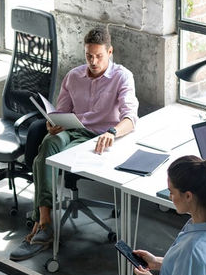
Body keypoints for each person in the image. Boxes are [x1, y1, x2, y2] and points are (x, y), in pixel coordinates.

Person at [9, 25, 139, 261]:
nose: (93, 61)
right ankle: (46, 221)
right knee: (49, 142)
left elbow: (131, 119)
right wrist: (52, 123)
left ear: (110, 52)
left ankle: (43, 224)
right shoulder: (74, 76)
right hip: (73, 130)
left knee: (42, 158)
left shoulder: (122, 76)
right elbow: (60, 112)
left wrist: (112, 131)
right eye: (89, 56)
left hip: (100, 137)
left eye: (99, 56)